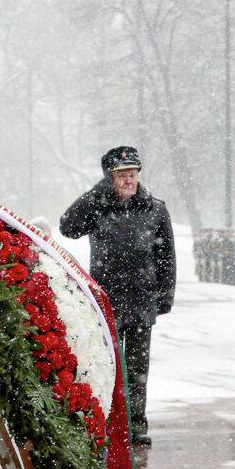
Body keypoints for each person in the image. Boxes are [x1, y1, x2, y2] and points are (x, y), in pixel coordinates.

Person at [61, 146, 176, 447]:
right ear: (109, 178)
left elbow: (166, 257)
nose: (128, 180)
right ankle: (108, 422)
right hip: (106, 302)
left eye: (133, 174)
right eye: (121, 175)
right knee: (107, 367)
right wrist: (98, 193)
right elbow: (67, 226)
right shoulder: (98, 206)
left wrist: (165, 296)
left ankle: (136, 427)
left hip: (140, 300)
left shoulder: (155, 209)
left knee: (137, 370)